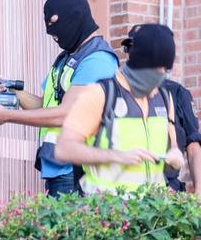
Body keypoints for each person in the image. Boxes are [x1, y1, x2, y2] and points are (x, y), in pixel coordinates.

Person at [0, 0, 119, 198]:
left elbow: (67, 115)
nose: (53, 35)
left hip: (78, 171)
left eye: (56, 26)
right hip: (60, 169)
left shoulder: (97, 60)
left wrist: (6, 116)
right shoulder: (68, 58)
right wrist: (13, 93)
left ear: (76, 17)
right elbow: (47, 107)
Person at [54, 24, 184, 195]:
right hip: (107, 212)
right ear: (139, 62)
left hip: (151, 214)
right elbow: (64, 149)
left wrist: (175, 156)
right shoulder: (99, 94)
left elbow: (172, 147)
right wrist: (116, 156)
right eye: (154, 69)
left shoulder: (165, 99)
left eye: (164, 70)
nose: (159, 77)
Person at [161, 78, 201, 201]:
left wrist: (200, 193)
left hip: (169, 188)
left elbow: (193, 146)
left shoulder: (177, 93)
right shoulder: (121, 88)